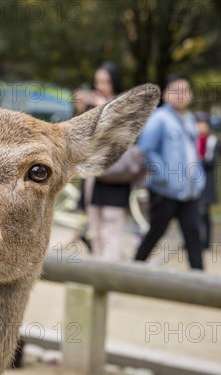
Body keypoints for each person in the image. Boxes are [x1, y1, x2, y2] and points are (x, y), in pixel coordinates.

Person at [134, 76, 206, 270]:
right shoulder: (159, 118)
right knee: (156, 232)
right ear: (166, 95)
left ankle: (199, 278)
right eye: (176, 91)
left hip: (190, 190)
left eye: (185, 90)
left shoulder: (190, 119)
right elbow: (146, 149)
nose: (181, 95)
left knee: (194, 234)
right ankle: (135, 268)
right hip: (165, 190)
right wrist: (163, 175)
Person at [79, 62, 132, 261]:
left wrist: (104, 110)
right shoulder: (91, 107)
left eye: (106, 81)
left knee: (111, 231)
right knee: (96, 231)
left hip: (115, 176)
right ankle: (97, 279)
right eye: (98, 81)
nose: (101, 85)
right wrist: (83, 111)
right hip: (94, 178)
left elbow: (121, 139)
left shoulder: (124, 106)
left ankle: (109, 282)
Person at [195, 112, 218, 250]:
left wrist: (198, 160)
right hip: (192, 180)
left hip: (206, 182)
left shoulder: (211, 141)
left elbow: (211, 162)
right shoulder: (192, 138)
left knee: (204, 213)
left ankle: (206, 242)